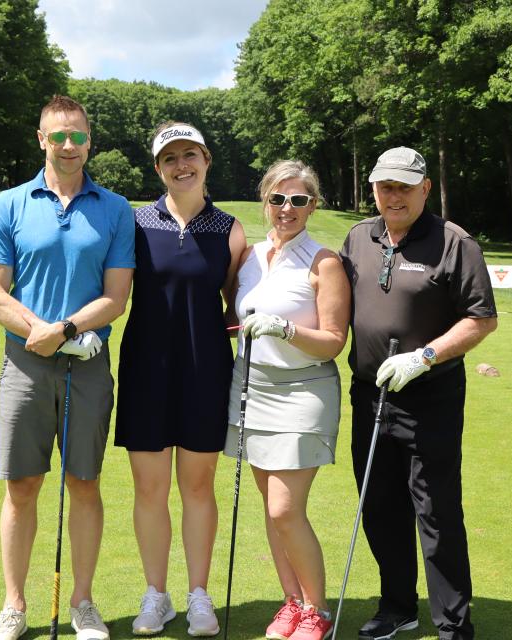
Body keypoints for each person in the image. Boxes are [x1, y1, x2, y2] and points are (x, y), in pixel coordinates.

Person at [0, 95, 135, 640]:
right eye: (58, 136)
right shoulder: (10, 204)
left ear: (90, 140)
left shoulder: (115, 208)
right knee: (21, 485)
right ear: (41, 139)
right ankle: (14, 607)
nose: (69, 145)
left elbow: (116, 297)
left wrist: (65, 332)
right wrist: (38, 333)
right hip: (24, 365)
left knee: (84, 482)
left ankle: (84, 604)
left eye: (78, 136)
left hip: (87, 363)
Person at [339, 147, 497, 640]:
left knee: (436, 510)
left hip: (429, 395)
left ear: (425, 188)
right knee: (380, 505)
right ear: (373, 189)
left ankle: (453, 623)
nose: (394, 195)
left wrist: (423, 357)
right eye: (386, 186)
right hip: (369, 395)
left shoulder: (455, 243)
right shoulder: (358, 237)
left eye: (405, 186)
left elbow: (481, 319)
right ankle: (397, 606)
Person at [115, 122, 246, 637]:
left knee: (197, 487)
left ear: (207, 160)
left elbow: (237, 305)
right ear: (158, 168)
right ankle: (156, 595)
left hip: (204, 369)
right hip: (146, 368)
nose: (181, 164)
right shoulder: (135, 222)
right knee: (148, 489)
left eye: (190, 155)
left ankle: (198, 595)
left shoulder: (230, 229)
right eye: (170, 158)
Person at [224, 160, 350, 640]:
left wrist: (287, 328)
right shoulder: (250, 258)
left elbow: (334, 340)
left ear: (312, 205)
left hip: (303, 390)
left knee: (284, 509)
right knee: (269, 507)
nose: (287, 208)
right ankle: (292, 603)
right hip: (251, 387)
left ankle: (316, 610)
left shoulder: (324, 262)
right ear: (266, 202)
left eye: (299, 200)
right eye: (278, 199)